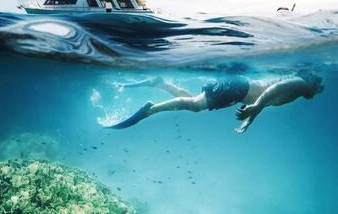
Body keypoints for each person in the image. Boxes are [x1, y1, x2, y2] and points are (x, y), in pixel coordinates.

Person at [105, 71, 324, 133]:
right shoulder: (302, 82)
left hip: (238, 89)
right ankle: (151, 110)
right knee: (194, 106)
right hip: (238, 88)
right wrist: (256, 106)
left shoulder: (299, 89)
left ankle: (160, 83)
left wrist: (251, 118)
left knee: (193, 101)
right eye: (319, 85)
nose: (319, 89)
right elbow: (274, 89)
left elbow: (266, 97)